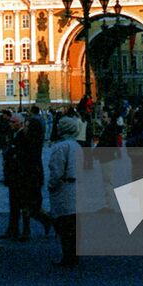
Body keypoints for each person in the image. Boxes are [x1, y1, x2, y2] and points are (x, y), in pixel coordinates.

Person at [47, 115, 82, 268]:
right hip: (76, 187)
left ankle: (67, 257)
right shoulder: (76, 145)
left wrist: (51, 185)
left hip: (64, 189)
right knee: (73, 226)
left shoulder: (60, 147)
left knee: (64, 225)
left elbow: (56, 170)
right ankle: (74, 255)